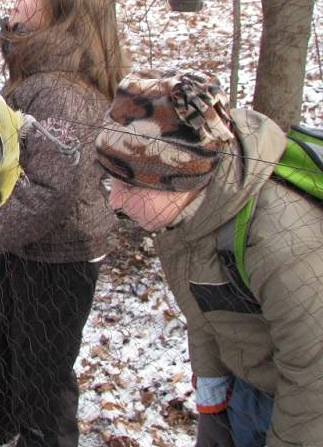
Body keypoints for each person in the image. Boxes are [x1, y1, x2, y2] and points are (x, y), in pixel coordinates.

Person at [0, 0, 129, 446]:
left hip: (60, 257)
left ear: (61, 15)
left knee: (42, 379)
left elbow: (48, 191)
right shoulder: (42, 74)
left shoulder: (62, 92)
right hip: (27, 246)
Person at [94, 70, 323, 447]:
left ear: (180, 181)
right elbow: (206, 308)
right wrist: (212, 407)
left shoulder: (282, 244)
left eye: (126, 184)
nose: (113, 200)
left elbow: (313, 383)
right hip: (247, 385)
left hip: (299, 406)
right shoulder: (184, 217)